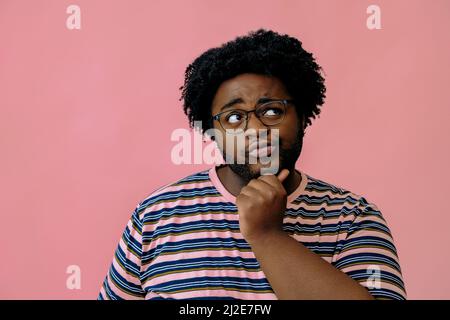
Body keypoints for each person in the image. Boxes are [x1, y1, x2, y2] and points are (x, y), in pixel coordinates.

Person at [98, 29, 406, 300]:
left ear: (302, 119)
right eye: (234, 118)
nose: (256, 130)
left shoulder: (352, 218)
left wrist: (267, 234)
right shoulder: (155, 215)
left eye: (272, 111)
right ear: (211, 132)